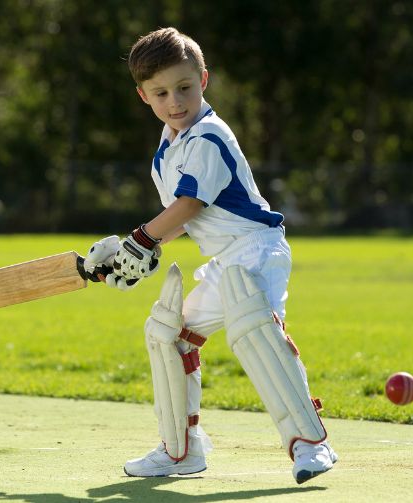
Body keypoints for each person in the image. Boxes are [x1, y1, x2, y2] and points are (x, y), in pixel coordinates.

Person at [82, 27, 337, 484]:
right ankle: (181, 451)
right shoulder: (167, 147)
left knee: (255, 331)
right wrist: (132, 251)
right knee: (169, 336)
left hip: (257, 250)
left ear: (204, 78)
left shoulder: (208, 137)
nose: (174, 100)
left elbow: (190, 205)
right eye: (161, 93)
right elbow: (180, 221)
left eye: (184, 87)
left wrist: (140, 239)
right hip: (226, 259)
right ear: (143, 96)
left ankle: (311, 444)